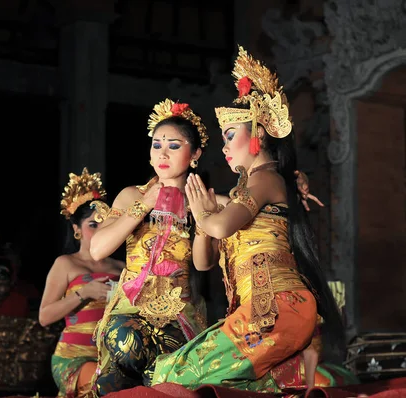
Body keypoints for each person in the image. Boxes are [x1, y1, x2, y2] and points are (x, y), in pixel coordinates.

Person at [151, 45, 353, 393]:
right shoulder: (247, 191)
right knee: (197, 377)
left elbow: (220, 225)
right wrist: (206, 216)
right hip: (262, 313)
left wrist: (204, 213)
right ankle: (317, 377)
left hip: (276, 309)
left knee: (174, 375)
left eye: (230, 136)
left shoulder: (265, 178)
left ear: (257, 134)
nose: (225, 148)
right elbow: (203, 261)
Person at [88, 99, 210, 395]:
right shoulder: (132, 195)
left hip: (178, 313)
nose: (163, 153)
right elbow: (98, 250)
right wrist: (144, 204)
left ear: (195, 155)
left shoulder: (204, 201)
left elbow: (204, 264)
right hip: (130, 310)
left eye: (174, 145)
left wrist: (292, 180)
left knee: (168, 380)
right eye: (157, 145)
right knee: (127, 349)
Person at [39, 167, 125, 398]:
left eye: (103, 223)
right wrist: (84, 292)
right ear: (77, 229)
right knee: (104, 383)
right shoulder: (66, 264)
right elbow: (44, 316)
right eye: (92, 225)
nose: (99, 230)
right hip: (73, 357)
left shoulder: (121, 268)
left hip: (114, 356)